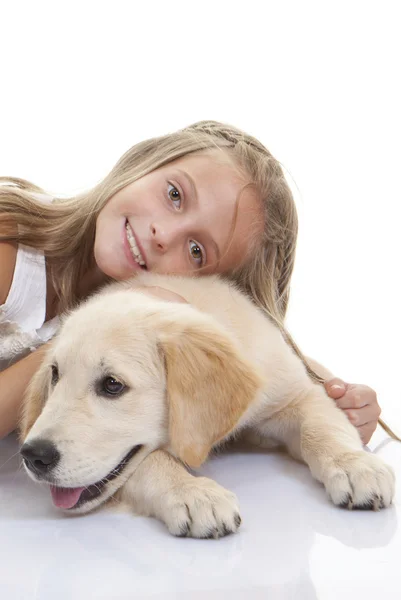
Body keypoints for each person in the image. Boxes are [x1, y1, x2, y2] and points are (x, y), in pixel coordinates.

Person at [0, 120, 381, 442]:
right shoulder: (10, 245)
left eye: (196, 251)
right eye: (174, 194)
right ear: (146, 161)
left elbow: (249, 367)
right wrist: (79, 338)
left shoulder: (141, 332)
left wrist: (332, 403)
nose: (164, 234)